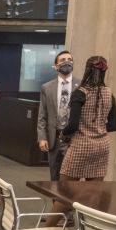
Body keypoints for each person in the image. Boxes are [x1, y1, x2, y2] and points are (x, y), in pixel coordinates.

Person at [45, 56, 116, 226]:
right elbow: (115, 125)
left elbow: (72, 125)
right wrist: (98, 129)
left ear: (86, 70)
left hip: (80, 146)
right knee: (92, 194)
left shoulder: (80, 93)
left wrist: (63, 135)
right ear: (104, 72)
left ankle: (47, 227)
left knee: (65, 193)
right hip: (102, 147)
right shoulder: (109, 93)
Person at [37, 50, 79, 181]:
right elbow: (42, 115)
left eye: (69, 59)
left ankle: (71, 202)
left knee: (72, 178)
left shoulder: (82, 86)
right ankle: (56, 202)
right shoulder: (47, 87)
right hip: (54, 139)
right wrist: (42, 137)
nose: (67, 62)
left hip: (74, 140)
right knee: (54, 177)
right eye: (62, 60)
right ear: (55, 66)